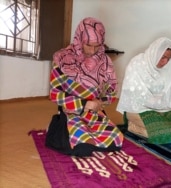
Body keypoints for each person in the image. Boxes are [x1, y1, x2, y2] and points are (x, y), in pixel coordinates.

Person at [45, 17, 124, 157]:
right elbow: (54, 94)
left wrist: (100, 102)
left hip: (94, 114)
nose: (92, 50)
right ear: (79, 39)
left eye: (97, 45)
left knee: (116, 139)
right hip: (71, 113)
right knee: (83, 143)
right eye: (88, 45)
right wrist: (84, 104)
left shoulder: (105, 62)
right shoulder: (63, 58)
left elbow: (112, 92)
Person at [116, 37, 171, 144]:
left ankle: (145, 128)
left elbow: (167, 93)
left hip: (158, 107)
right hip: (137, 109)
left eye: (168, 59)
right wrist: (153, 100)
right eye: (163, 57)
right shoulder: (137, 63)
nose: (165, 62)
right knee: (164, 132)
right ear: (155, 52)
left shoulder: (166, 70)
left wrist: (158, 102)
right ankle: (132, 126)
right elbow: (132, 92)